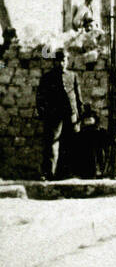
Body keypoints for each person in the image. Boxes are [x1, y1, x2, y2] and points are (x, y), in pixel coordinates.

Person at [36, 49, 82, 180]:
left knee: (71, 143)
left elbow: (78, 97)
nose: (62, 63)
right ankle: (49, 173)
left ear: (68, 61)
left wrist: (80, 114)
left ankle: (68, 173)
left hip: (71, 114)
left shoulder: (72, 76)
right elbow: (40, 97)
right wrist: (43, 113)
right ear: (55, 62)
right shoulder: (47, 77)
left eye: (65, 60)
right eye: (60, 61)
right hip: (54, 115)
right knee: (52, 144)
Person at [71, 108, 108, 179]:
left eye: (89, 120)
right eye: (86, 120)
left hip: (96, 161)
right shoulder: (81, 135)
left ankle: (97, 170)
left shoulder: (99, 133)